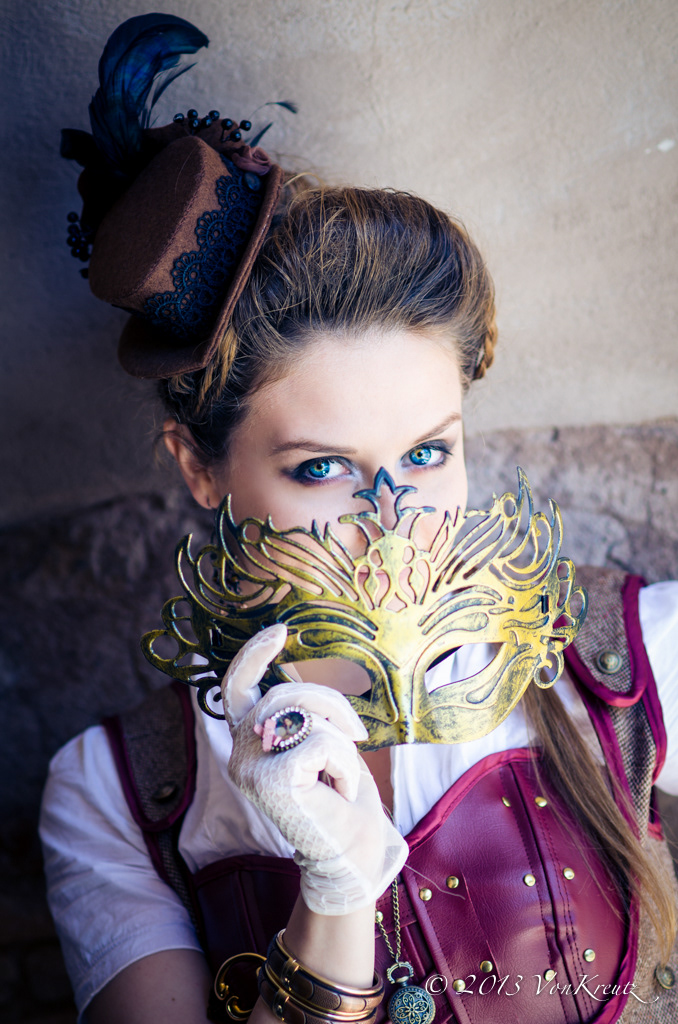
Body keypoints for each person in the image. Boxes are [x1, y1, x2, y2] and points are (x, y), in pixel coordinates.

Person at [40, 14, 678, 1024]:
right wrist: (334, 895)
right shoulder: (114, 793)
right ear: (199, 466)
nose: (393, 522)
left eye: (427, 453)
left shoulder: (633, 659)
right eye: (323, 467)